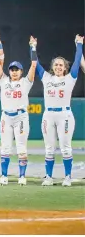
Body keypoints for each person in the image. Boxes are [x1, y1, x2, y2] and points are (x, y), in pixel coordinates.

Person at [36, 34, 83, 187]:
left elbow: (77, 62)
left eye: (61, 65)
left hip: (64, 115)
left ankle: (67, 177)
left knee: (65, 147)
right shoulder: (46, 78)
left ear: (65, 68)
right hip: (48, 115)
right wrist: (32, 47)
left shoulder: (70, 78)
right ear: (52, 67)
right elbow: (35, 63)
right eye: (56, 65)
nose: (58, 67)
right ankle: (48, 177)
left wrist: (79, 45)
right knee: (49, 148)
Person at [0, 34, 37, 186]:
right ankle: (4, 176)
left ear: (21, 71)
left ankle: (22, 176)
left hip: (21, 117)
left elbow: (33, 65)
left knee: (21, 147)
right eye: (12, 69)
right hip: (6, 117)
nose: (14, 72)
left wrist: (33, 47)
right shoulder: (4, 81)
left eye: (17, 69)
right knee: (5, 147)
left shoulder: (26, 82)